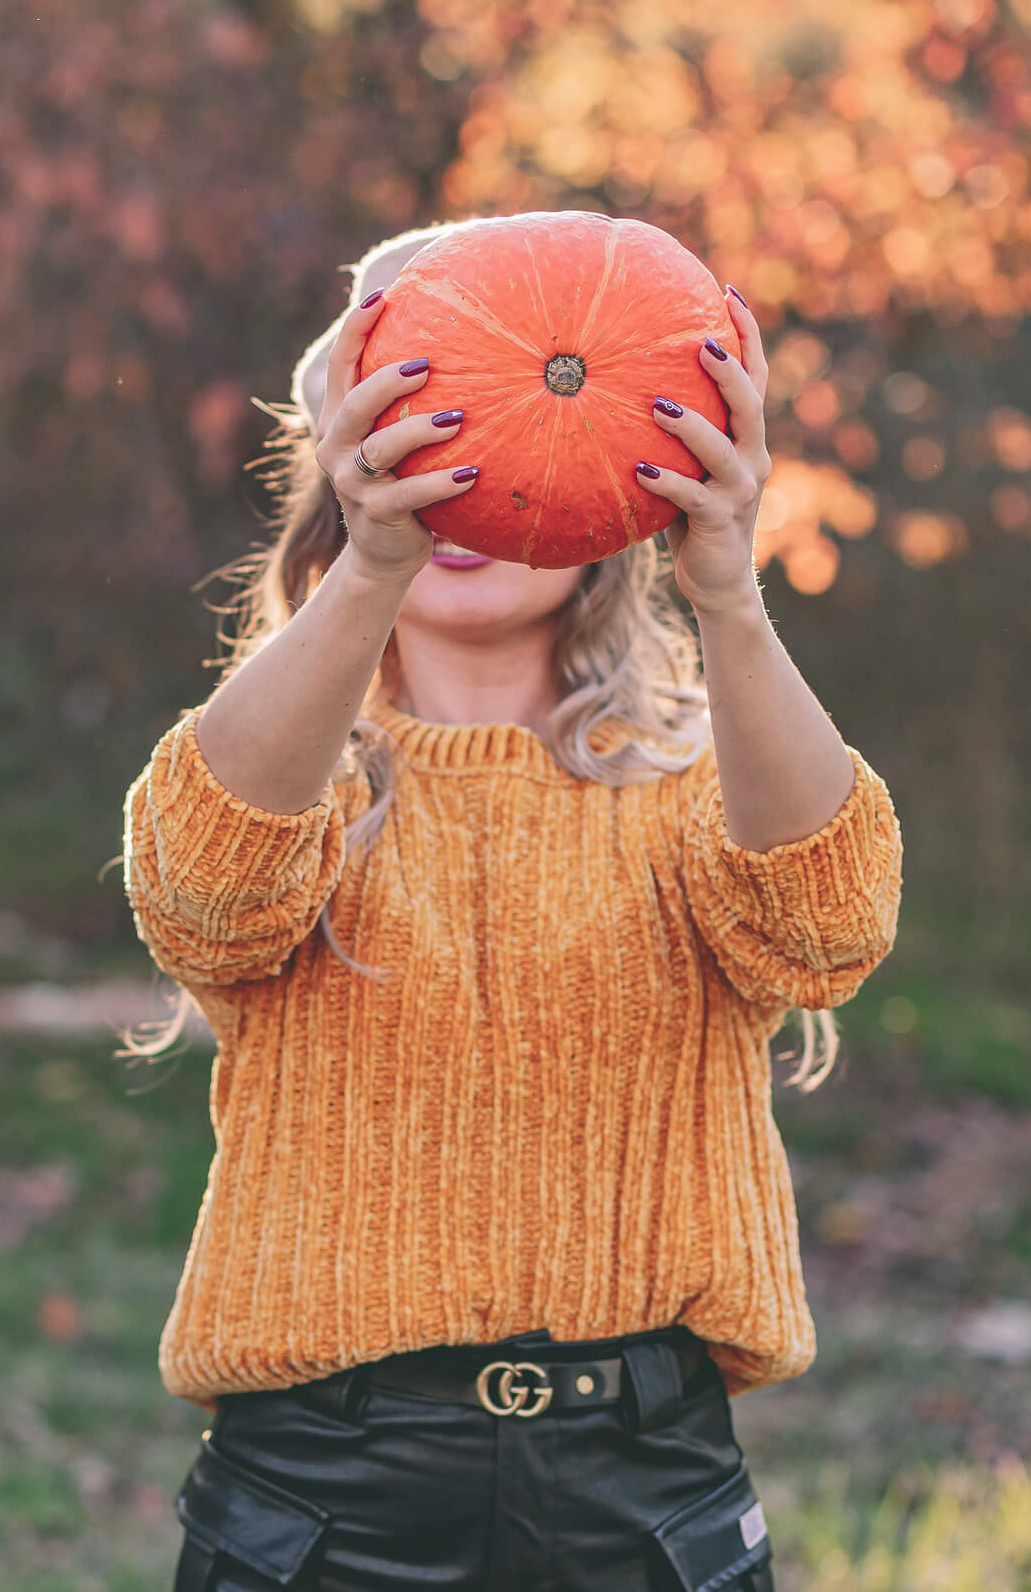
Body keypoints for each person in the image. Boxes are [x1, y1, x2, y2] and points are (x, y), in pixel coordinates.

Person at [123, 223, 902, 1590]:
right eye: (422, 441)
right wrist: (373, 568)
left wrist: (728, 586)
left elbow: (828, 929)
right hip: (321, 1499)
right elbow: (205, 894)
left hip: (647, 1497)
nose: (461, 485)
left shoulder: (703, 776)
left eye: (489, 441)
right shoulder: (286, 766)